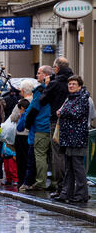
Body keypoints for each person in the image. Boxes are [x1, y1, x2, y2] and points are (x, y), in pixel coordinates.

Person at [55, 75, 92, 203]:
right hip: (67, 137)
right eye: (69, 84)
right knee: (68, 167)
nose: (71, 86)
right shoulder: (70, 98)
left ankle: (81, 194)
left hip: (77, 138)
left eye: (74, 84)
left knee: (77, 167)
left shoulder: (83, 98)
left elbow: (76, 113)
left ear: (79, 85)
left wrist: (62, 111)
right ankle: (66, 193)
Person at [40, 57, 73, 198]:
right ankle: (72, 187)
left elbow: (42, 100)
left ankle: (61, 188)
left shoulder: (55, 83)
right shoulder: (74, 81)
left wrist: (47, 85)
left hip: (57, 121)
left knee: (58, 155)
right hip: (73, 123)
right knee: (71, 156)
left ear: (57, 68)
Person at [24, 66, 53, 191]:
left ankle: (40, 182)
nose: (37, 75)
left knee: (40, 156)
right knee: (54, 157)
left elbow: (33, 108)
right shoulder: (58, 88)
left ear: (46, 75)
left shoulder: (40, 90)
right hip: (53, 126)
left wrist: (27, 123)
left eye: (39, 73)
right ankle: (56, 182)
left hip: (41, 127)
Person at [10, 80, 35, 189]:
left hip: (21, 134)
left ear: (23, 91)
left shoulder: (21, 103)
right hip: (32, 134)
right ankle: (30, 181)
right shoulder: (35, 101)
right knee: (31, 160)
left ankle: (21, 181)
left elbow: (13, 118)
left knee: (21, 160)